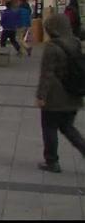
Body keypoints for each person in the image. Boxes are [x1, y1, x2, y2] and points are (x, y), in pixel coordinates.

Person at [35, 14, 85, 173]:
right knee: (68, 127)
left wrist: (41, 96)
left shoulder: (52, 47)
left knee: (49, 127)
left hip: (55, 96)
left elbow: (47, 74)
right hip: (74, 92)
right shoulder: (75, 42)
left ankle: (52, 161)